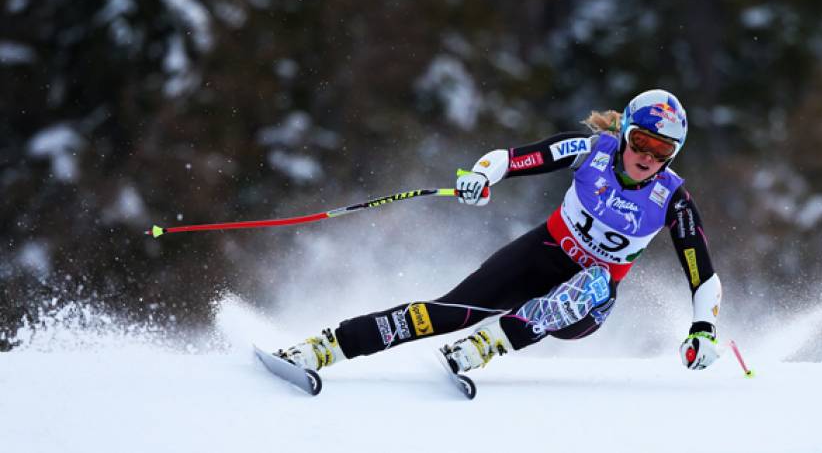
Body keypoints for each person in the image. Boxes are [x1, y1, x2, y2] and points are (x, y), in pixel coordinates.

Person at [277, 89, 723, 375]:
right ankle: (325, 348)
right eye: (642, 142)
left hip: (588, 303)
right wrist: (480, 176)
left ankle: (488, 345)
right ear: (625, 133)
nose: (648, 156)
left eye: (663, 150)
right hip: (542, 253)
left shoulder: (672, 197)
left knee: (592, 281)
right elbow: (511, 158)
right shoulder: (592, 150)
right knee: (449, 311)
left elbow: (703, 275)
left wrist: (703, 328)